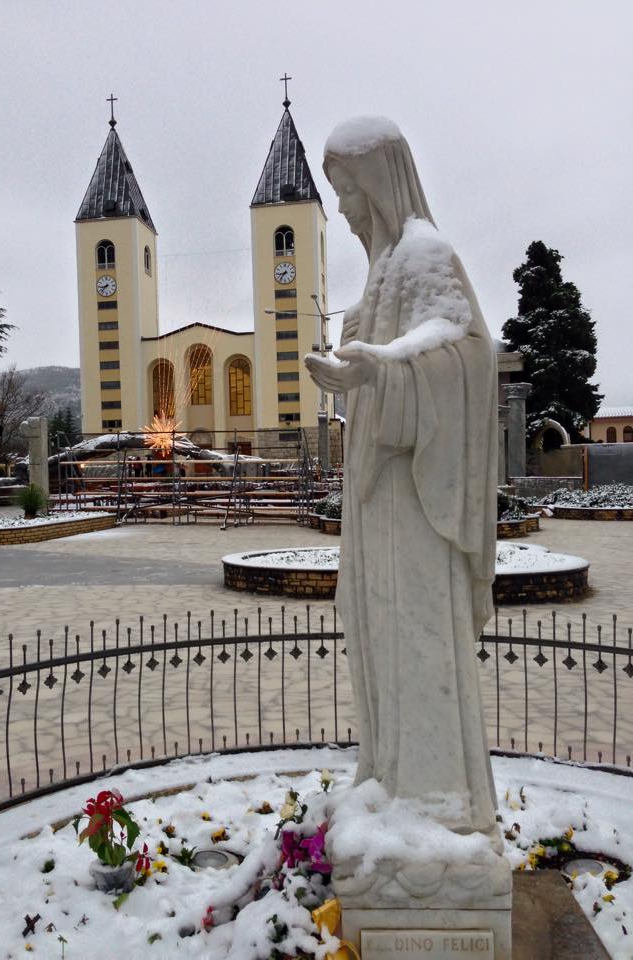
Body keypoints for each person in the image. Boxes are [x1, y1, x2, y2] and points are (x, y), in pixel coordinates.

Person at [305, 118, 499, 839]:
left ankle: (437, 800)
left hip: (416, 508)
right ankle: (391, 779)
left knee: (417, 643)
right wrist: (365, 368)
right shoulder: (384, 268)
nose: (347, 210)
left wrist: (378, 368)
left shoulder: (425, 254)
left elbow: (465, 353)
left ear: (381, 186)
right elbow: (405, 353)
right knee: (382, 640)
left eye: (350, 192)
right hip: (382, 502)